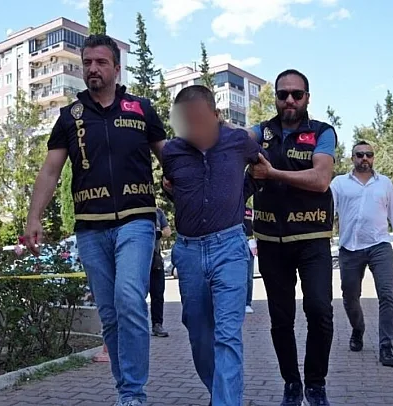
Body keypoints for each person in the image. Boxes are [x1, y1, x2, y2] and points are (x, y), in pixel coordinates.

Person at [23, 34, 166, 406]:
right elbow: (50, 171)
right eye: (87, 62)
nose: (93, 69)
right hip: (90, 227)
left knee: (129, 299)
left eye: (101, 62)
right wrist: (33, 217)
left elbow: (169, 157)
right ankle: (125, 390)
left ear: (116, 68)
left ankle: (133, 394)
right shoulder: (69, 117)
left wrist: (186, 186)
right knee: (110, 314)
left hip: (136, 220)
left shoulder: (141, 109)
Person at [162, 85, 264, 406]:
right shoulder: (172, 151)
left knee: (227, 335)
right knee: (199, 334)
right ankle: (219, 393)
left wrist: (241, 193)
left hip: (229, 248)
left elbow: (262, 167)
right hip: (189, 252)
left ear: (216, 116)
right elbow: (174, 189)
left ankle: (225, 401)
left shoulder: (238, 141)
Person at [245, 69, 337, 406]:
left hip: (312, 237)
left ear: (307, 98)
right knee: (281, 319)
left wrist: (272, 173)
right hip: (271, 241)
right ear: (275, 98)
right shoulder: (262, 131)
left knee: (319, 310)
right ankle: (292, 384)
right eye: (282, 94)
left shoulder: (322, 132)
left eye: (296, 94)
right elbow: (235, 139)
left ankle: (315, 383)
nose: (289, 100)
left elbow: (321, 179)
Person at [331, 140, 393, 368]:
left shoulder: (384, 183)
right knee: (350, 296)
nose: (364, 158)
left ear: (373, 157)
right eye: (360, 154)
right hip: (350, 247)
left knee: (387, 295)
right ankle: (358, 329)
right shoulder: (339, 184)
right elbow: (327, 212)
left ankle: (386, 346)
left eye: (369, 154)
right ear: (352, 158)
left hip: (379, 245)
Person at [150, 207, 171, 337]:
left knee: (158, 292)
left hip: (155, 257)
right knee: (135, 294)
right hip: (138, 257)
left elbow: (167, 231)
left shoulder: (158, 212)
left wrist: (158, 233)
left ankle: (157, 324)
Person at [244, 206, 257, 314]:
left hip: (249, 243)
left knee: (248, 276)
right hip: (235, 242)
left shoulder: (250, 208)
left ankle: (247, 303)